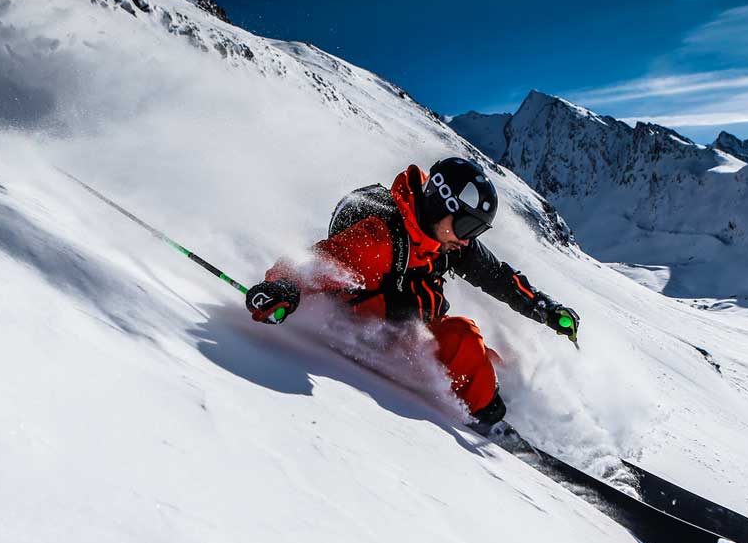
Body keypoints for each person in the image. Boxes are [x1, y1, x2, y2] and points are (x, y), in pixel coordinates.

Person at [244, 157, 579, 427]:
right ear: (440, 205)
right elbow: (313, 264)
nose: (467, 239)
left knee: (496, 362)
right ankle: (488, 417)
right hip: (377, 331)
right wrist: (281, 288)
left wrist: (545, 308)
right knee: (464, 340)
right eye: (466, 227)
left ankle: (499, 404)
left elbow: (497, 277)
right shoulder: (378, 239)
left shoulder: (447, 240)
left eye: (475, 230)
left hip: (413, 319)